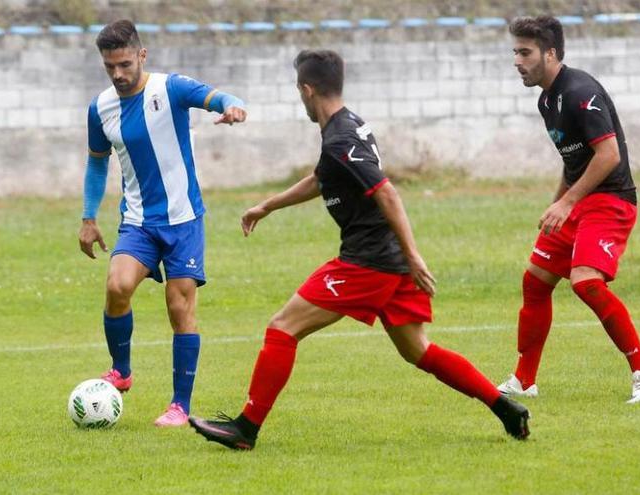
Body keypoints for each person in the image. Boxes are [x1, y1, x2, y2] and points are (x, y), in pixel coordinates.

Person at [188, 49, 530, 450]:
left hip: (369, 262)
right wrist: (268, 206)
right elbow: (322, 179)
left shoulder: (341, 137)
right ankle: (505, 407)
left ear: (307, 89)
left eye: (298, 91)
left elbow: (386, 192)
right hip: (389, 261)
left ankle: (246, 428)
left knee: (282, 328)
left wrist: (414, 254)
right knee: (418, 351)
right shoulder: (348, 125)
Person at [78, 19, 247, 427]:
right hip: (137, 221)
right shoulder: (100, 108)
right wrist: (88, 216)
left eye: (124, 64)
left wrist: (231, 107)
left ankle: (179, 406)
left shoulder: (170, 88)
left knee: (179, 307)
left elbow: (216, 95)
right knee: (117, 286)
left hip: (183, 220)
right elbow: (97, 164)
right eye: (109, 67)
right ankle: (121, 370)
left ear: (141, 55)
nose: (118, 74)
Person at [498, 16, 640, 404]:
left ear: (551, 53)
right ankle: (524, 380)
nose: (517, 61)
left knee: (586, 282)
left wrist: (568, 202)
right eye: (515, 52)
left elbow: (608, 155)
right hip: (580, 201)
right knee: (536, 280)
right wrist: (558, 202)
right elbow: (572, 160)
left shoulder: (579, 91)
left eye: (525, 52)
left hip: (611, 200)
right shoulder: (546, 99)